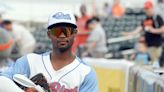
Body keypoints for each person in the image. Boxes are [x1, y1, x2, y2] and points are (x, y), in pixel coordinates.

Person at [0, 11, 98, 92]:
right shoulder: (30, 61)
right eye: (57, 31)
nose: (62, 35)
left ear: (75, 33)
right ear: (49, 34)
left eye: (67, 31)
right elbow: (2, 81)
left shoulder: (86, 72)